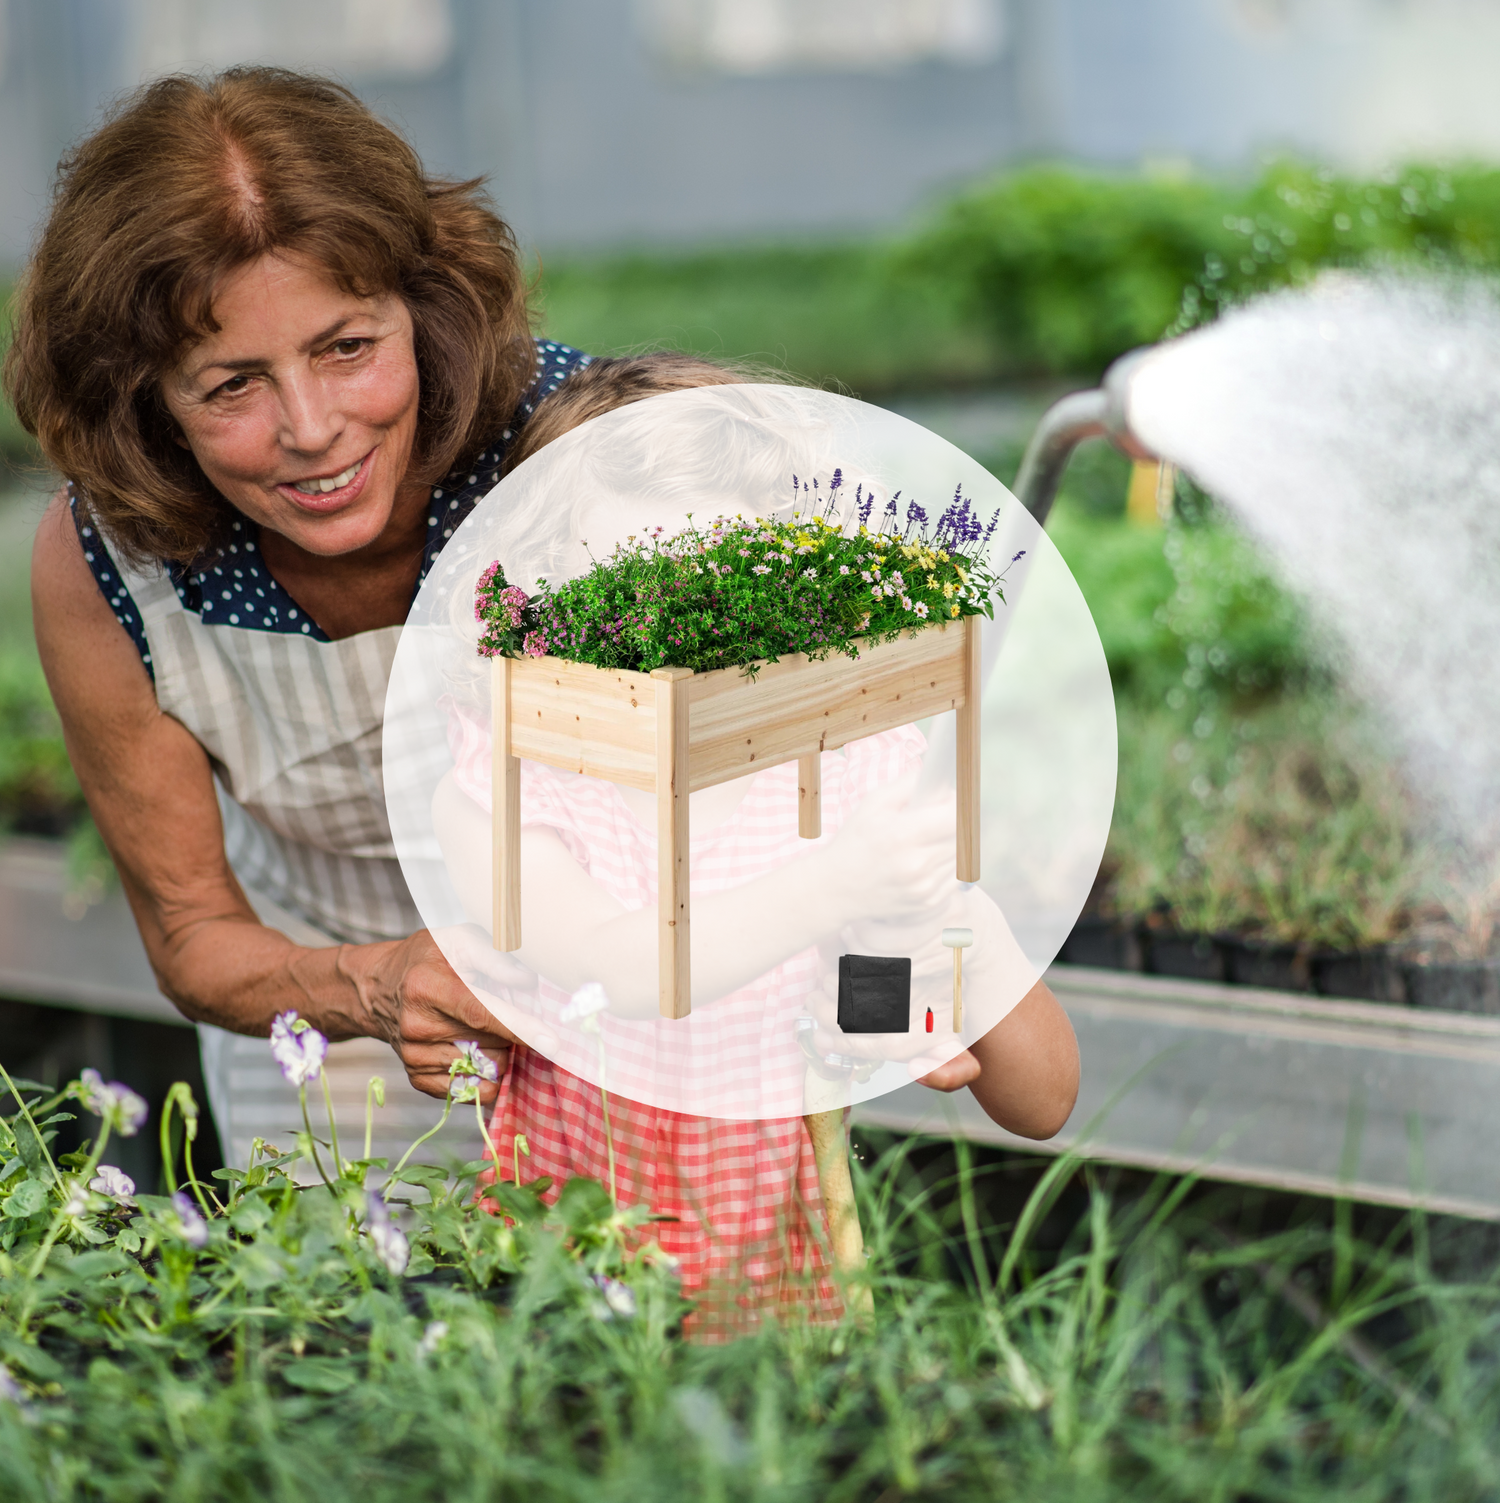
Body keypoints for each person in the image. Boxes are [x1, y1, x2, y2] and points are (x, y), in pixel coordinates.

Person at [429, 356, 1081, 1327]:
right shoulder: (510, 787)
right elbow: (626, 966)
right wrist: (837, 880)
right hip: (560, 1299)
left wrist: (934, 942)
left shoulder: (845, 780)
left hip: (785, 1309)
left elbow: (1043, 1101)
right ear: (532, 599)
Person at [6, 67, 577, 1162]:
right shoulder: (105, 567)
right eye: (232, 387)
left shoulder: (569, 456)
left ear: (424, 310)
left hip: (620, 1003)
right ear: (147, 408)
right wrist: (374, 985)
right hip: (326, 1021)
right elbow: (195, 937)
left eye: (347, 347)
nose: (311, 429)